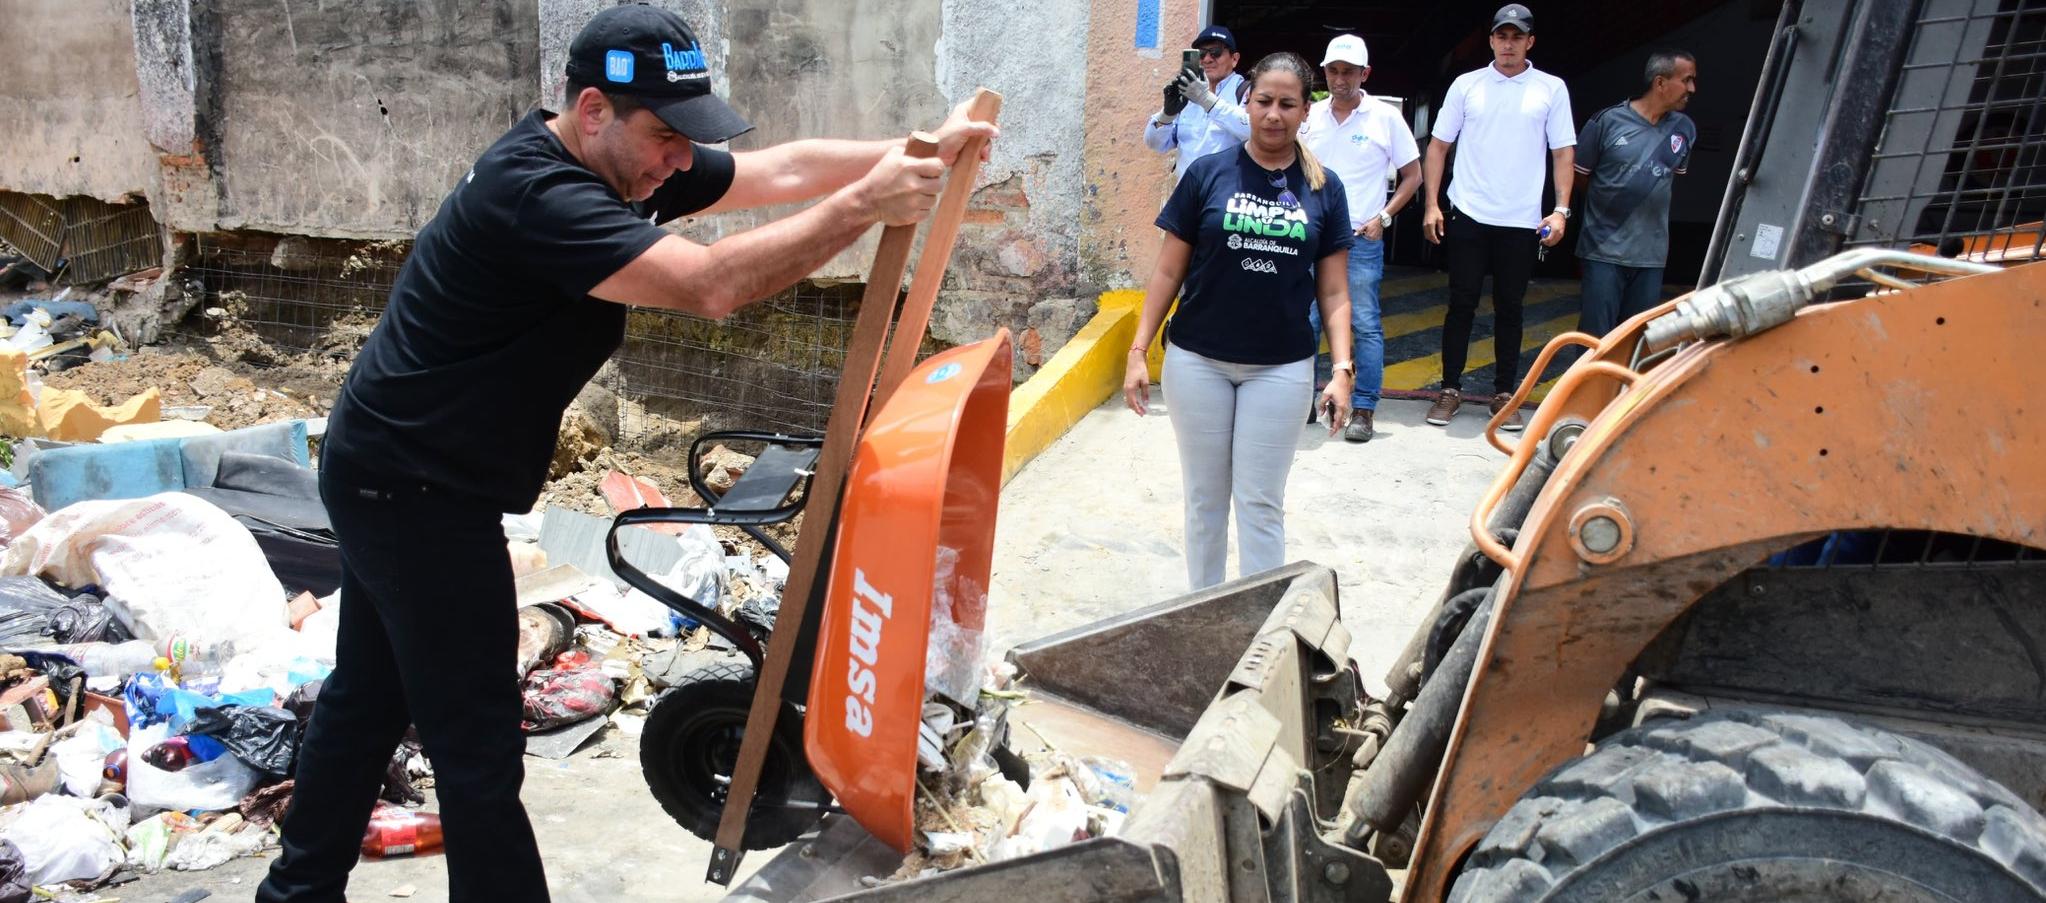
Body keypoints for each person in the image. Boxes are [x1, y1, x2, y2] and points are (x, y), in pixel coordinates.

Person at [254, 7, 995, 902]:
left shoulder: (622, 163)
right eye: (666, 137)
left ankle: (293, 894)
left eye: (689, 139)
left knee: (368, 699)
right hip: (412, 487)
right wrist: (866, 205)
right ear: (595, 110)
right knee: (476, 742)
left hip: (392, 462)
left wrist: (918, 149)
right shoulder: (539, 195)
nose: (680, 160)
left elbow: (779, 169)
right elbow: (711, 285)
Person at [1122, 51, 1355, 590]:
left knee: (1260, 503)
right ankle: (1202, 619)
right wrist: (1139, 351)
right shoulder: (1208, 173)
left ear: (1305, 113)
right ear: (1246, 103)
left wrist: (1342, 370)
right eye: (1265, 101)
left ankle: (1259, 632)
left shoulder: (1325, 188)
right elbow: (1166, 272)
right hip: (1197, 362)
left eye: (1287, 104)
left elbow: (1336, 290)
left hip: (1280, 369)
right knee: (1204, 501)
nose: (1274, 114)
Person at [1421, 3, 1575, 432]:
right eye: (1501, 36)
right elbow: (1437, 147)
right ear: (1491, 40)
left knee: (1511, 307)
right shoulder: (1467, 85)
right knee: (1461, 303)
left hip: (1522, 219)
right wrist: (1432, 204)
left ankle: (1504, 394)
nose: (1508, 44)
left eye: (1516, 37)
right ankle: (1449, 390)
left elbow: (1563, 151)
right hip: (1469, 212)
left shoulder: (1551, 88)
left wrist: (1560, 210)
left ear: (1530, 42)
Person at [1299, 34, 1421, 443]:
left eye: (1348, 71)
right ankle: (1305, 401)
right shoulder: (1311, 116)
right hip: (1312, 240)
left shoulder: (1384, 118)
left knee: (1365, 324)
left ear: (1364, 74)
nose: (1339, 79)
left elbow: (1413, 176)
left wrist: (1383, 218)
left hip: (1359, 239)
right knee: (1308, 320)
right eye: (1333, 70)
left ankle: (1364, 407)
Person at [1572, 49, 1697, 345]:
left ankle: (1627, 393)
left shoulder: (1685, 129)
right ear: (1660, 83)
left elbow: (1668, 182)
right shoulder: (1607, 122)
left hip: (1651, 255)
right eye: (1687, 80)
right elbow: (1579, 175)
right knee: (1595, 339)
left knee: (1637, 341)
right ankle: (1588, 392)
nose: (1692, 89)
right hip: (1603, 249)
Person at [1143, 25, 1253, 184]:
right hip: (1187, 196)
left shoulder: (1247, 91)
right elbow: (1155, 144)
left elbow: (1255, 131)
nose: (1207, 59)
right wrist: (1166, 115)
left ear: (1234, 59)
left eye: (1216, 52)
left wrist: (1205, 100)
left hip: (1225, 198)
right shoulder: (1188, 94)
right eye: (1201, 54)